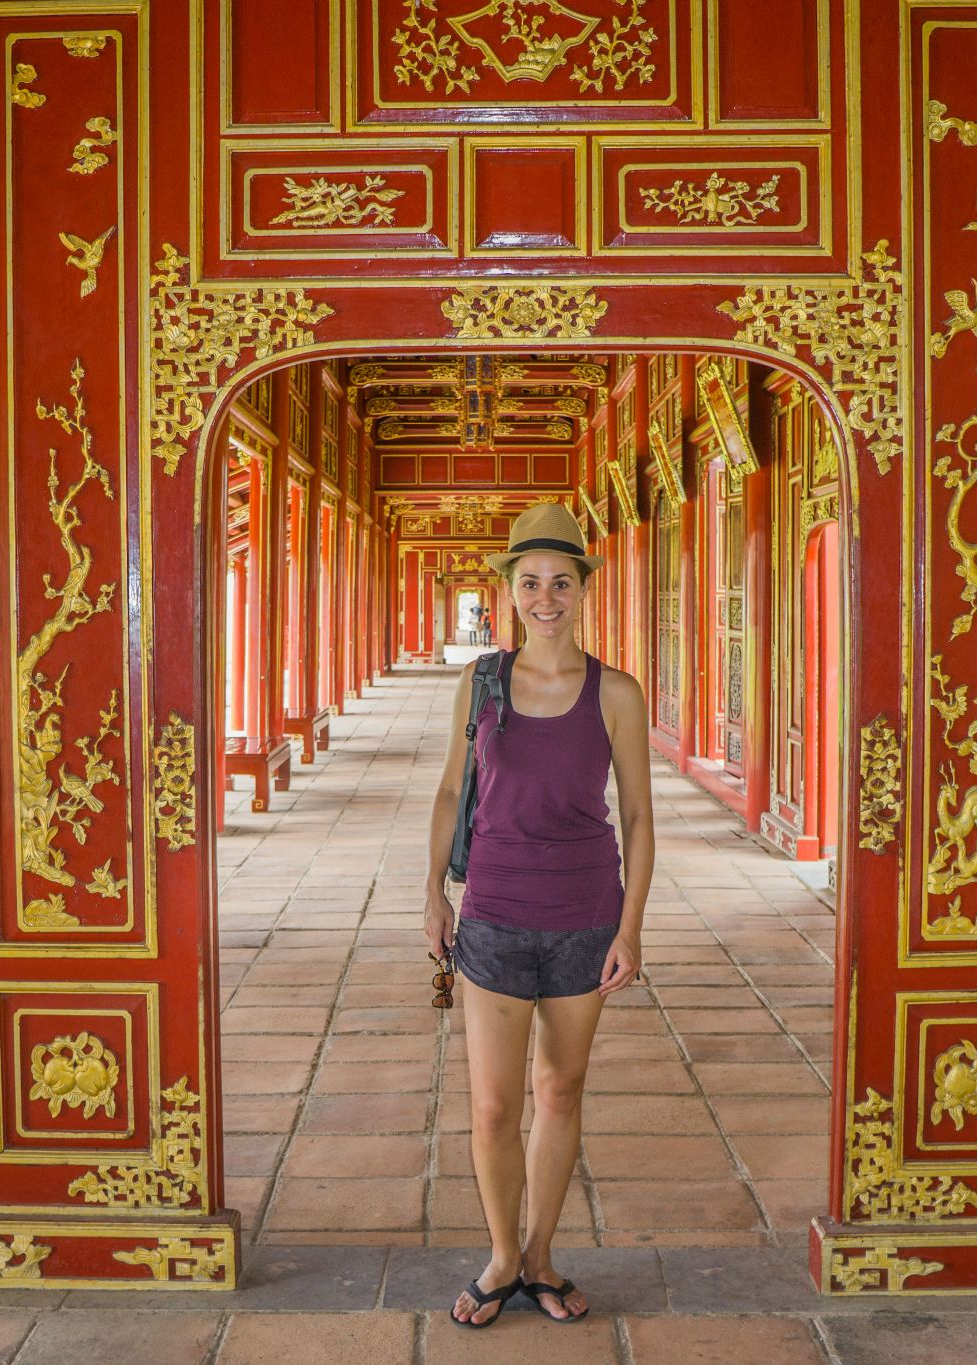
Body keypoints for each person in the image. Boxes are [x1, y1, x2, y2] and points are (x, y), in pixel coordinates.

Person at [423, 502, 653, 1327]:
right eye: (530, 582)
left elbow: (637, 818)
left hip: (586, 917)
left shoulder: (616, 691)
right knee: (492, 1104)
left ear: (584, 589)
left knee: (559, 1087)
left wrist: (629, 927)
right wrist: (430, 890)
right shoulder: (481, 682)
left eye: (561, 581)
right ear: (510, 592)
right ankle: (498, 1256)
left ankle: (543, 1257)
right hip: (492, 913)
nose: (545, 596)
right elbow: (453, 788)